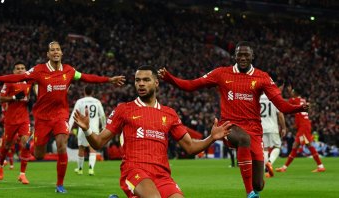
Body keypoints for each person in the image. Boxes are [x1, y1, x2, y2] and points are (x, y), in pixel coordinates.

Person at [158, 41, 309, 198]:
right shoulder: (221, 74)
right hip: (229, 126)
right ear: (234, 56)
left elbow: (281, 106)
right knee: (243, 139)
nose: (243, 57)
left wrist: (299, 108)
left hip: (255, 131)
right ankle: (249, 192)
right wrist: (170, 78)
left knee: (259, 184)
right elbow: (191, 85)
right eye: (239, 54)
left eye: (246, 55)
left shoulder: (262, 77)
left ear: (252, 56)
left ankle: (254, 188)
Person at [0, 41, 126, 193]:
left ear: (61, 53)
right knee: (38, 154)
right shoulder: (39, 70)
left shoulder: (69, 70)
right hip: (42, 118)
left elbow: (87, 77)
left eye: (58, 49)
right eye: (52, 50)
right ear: (48, 54)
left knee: (61, 144)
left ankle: (60, 185)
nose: (56, 52)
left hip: (60, 115)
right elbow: (19, 77)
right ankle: (31, 144)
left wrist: (109, 80)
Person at [72, 66, 232, 198]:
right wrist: (87, 130)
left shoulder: (169, 113)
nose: (141, 84)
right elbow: (99, 141)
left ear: (156, 83)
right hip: (134, 170)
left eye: (146, 80)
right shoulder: (124, 109)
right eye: (137, 80)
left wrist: (212, 137)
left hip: (162, 175)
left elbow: (190, 147)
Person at [0, 62, 33, 184]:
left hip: (24, 119)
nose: (20, 70)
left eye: (23, 68)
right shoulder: (8, 82)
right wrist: (13, 98)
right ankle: (0, 165)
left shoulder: (29, 82)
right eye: (17, 69)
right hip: (11, 120)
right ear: (13, 71)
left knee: (26, 144)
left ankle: (22, 174)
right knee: (6, 146)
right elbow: (1, 98)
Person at [276, 86, 325, 173]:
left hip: (304, 127)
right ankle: (284, 167)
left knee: (308, 145)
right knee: (295, 146)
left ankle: (320, 166)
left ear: (296, 93)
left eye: (293, 91)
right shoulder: (302, 100)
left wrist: (276, 95)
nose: (291, 92)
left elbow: (283, 102)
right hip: (304, 125)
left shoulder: (295, 100)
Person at [69, 85, 106, 176]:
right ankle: (91, 169)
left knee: (81, 147)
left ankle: (80, 169)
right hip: (94, 127)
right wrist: (104, 127)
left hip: (83, 127)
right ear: (92, 92)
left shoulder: (80, 101)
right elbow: (102, 116)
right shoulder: (97, 101)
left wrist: (69, 127)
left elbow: (74, 114)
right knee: (92, 148)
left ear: (84, 92)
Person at [259, 93, 286, 178]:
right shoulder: (274, 97)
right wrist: (283, 127)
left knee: (265, 149)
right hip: (273, 127)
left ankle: (266, 171)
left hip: (262, 127)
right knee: (277, 147)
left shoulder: (258, 98)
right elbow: (280, 114)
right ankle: (269, 162)